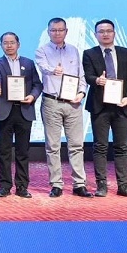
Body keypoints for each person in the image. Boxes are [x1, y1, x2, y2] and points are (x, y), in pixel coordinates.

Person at [82, 20, 127, 198]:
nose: (105, 34)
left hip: (122, 106)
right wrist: (96, 80)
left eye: (109, 31)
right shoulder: (89, 53)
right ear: (95, 35)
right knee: (100, 147)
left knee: (122, 147)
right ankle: (101, 185)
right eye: (101, 31)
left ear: (114, 33)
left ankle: (124, 186)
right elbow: (87, 75)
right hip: (99, 106)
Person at [35, 17, 92, 198]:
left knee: (76, 145)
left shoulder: (74, 50)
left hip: (73, 103)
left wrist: (81, 93)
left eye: (60, 30)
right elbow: (43, 67)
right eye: (53, 30)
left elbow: (81, 76)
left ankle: (79, 184)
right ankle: (56, 184)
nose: (57, 33)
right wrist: (54, 70)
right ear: (48, 32)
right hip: (52, 102)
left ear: (66, 31)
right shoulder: (42, 51)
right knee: (53, 146)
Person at [0, 32, 42, 198]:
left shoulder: (28, 63)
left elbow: (37, 84)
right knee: (4, 151)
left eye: (12, 42)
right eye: (5, 43)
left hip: (24, 110)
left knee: (23, 151)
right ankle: (5, 186)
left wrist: (32, 96)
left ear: (18, 44)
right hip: (4, 111)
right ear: (1, 45)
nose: (9, 45)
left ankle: (22, 186)